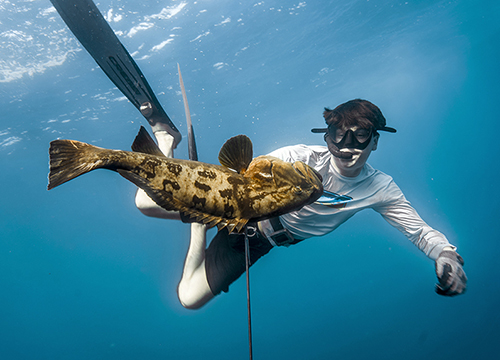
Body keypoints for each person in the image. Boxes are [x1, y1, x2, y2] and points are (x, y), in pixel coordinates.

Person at [135, 99, 467, 309]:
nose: (347, 145)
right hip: (235, 208)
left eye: (360, 135)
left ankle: (197, 226)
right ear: (327, 136)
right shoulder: (298, 157)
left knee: (187, 299)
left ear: (375, 141)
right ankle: (165, 138)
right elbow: (247, 174)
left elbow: (420, 232)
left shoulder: (380, 188)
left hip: (257, 241)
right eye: (338, 133)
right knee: (144, 203)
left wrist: (446, 254)